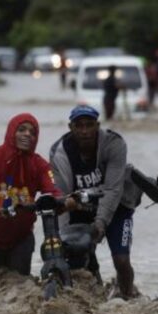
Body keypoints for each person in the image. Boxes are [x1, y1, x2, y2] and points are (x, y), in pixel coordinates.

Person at [49, 105, 142, 300]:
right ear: (70, 127)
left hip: (118, 206)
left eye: (89, 125)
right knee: (77, 254)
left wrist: (100, 223)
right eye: (79, 126)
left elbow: (113, 189)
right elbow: (62, 197)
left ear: (97, 126)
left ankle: (128, 297)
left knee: (121, 259)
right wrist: (61, 238)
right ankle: (91, 299)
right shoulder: (59, 152)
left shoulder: (114, 144)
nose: (84, 131)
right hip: (80, 207)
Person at [0, 113, 61, 276]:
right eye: (22, 130)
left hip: (21, 239)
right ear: (11, 132)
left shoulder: (41, 165)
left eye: (32, 132)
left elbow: (54, 193)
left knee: (20, 290)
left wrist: (65, 202)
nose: (27, 134)